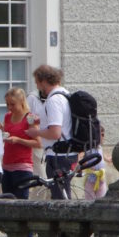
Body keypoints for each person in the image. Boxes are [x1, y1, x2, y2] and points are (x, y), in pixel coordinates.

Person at [26, 65, 78, 200]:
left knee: (59, 197)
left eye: (37, 82)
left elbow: (55, 133)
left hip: (58, 156)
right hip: (67, 153)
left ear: (43, 81)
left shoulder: (53, 100)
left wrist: (35, 132)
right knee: (62, 194)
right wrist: (41, 122)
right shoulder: (65, 95)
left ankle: (65, 221)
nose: (37, 87)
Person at [0, 87, 40, 199]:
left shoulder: (30, 118)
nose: (9, 107)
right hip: (7, 164)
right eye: (7, 104)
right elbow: (9, 133)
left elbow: (38, 143)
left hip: (22, 166)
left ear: (21, 102)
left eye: (12, 104)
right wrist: (2, 131)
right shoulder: (8, 116)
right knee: (6, 201)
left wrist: (18, 140)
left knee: (21, 202)